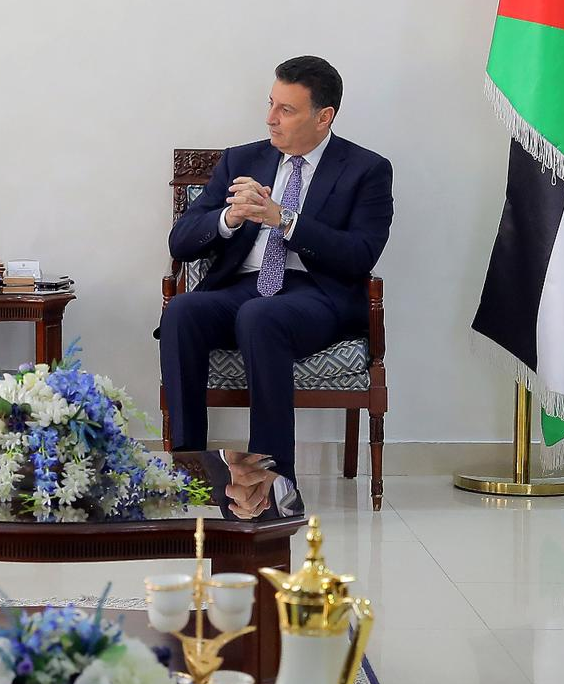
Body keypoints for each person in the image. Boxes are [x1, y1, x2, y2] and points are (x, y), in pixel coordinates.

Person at [159, 56, 393, 492]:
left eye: (286, 110)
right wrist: (230, 217)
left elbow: (361, 254)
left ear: (323, 117)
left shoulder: (367, 170)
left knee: (261, 316)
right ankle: (189, 470)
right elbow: (180, 242)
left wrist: (284, 219)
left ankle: (272, 481)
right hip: (244, 286)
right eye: (271, 104)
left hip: (317, 294)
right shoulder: (241, 160)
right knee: (182, 311)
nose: (270, 118)